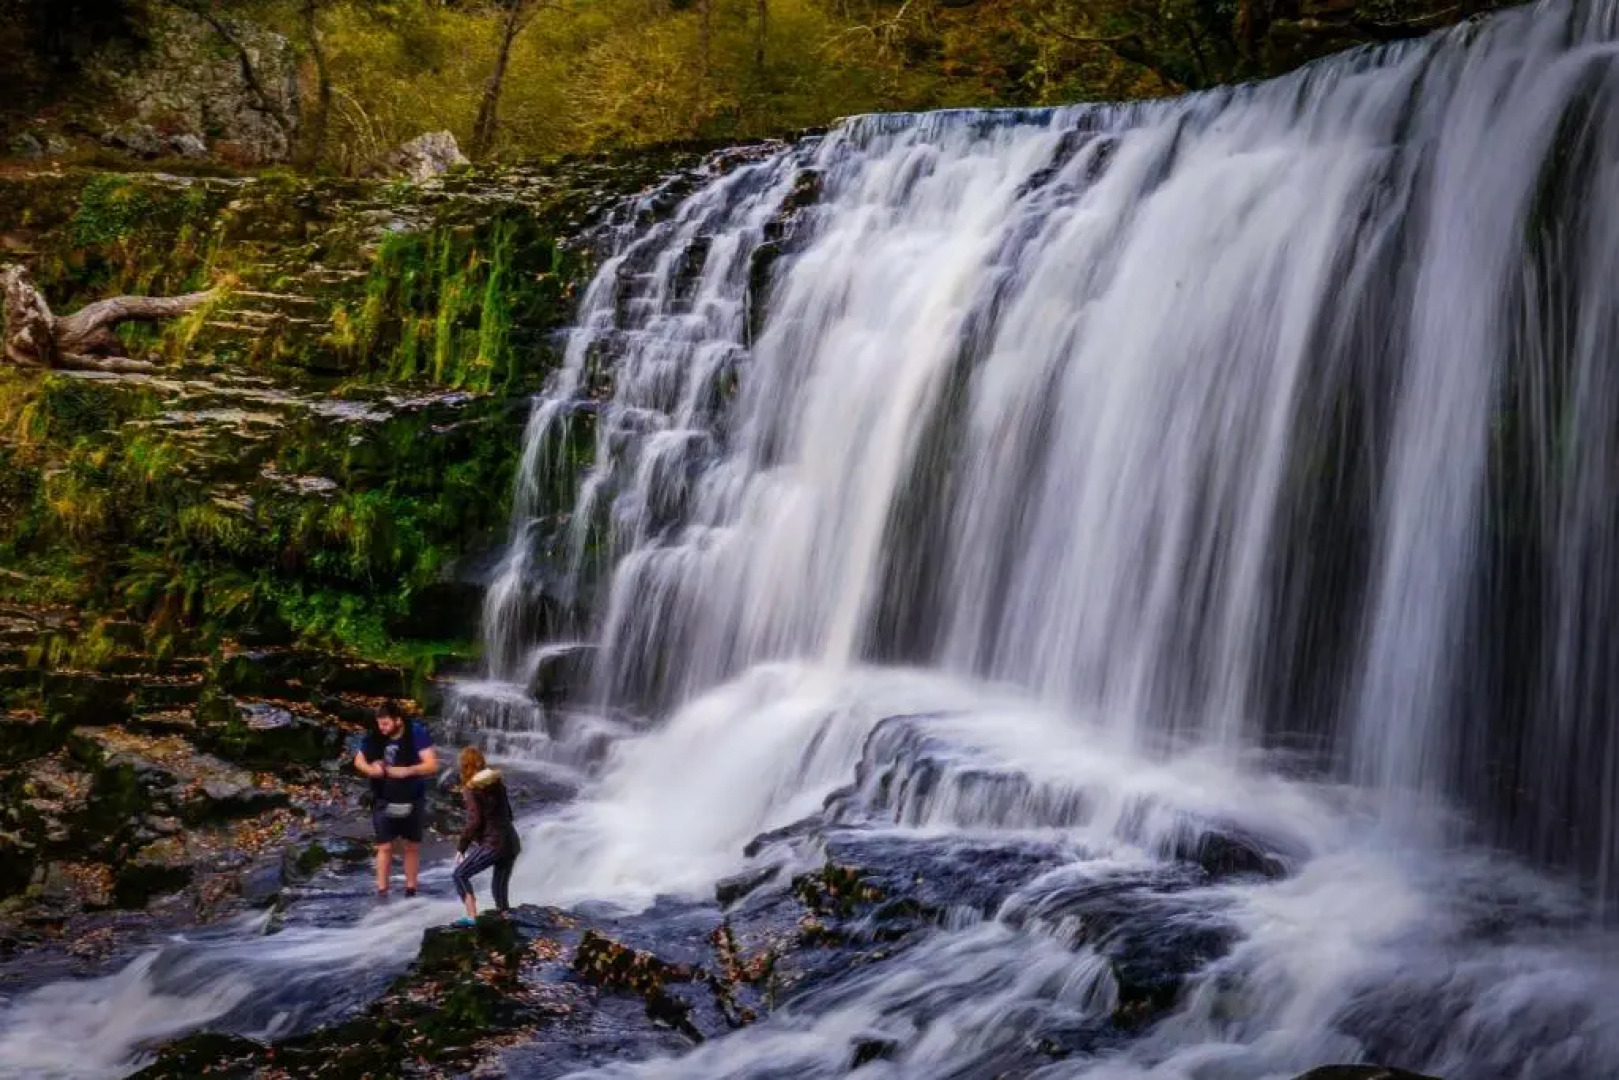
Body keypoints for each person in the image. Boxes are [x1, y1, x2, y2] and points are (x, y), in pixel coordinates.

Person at [353, 702, 438, 898]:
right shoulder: (376, 734)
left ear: (398, 720)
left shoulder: (416, 732)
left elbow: (432, 764)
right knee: (385, 846)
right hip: (383, 795)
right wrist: (371, 770)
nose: (381, 728)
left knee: (412, 845)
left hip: (413, 795)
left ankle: (411, 890)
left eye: (385, 724)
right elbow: (359, 760)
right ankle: (382, 891)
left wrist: (408, 770)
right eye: (379, 724)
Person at [450, 746, 520, 924]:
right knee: (499, 888)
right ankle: (505, 919)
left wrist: (462, 847)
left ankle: (472, 917)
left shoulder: (471, 789)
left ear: (465, 767)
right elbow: (509, 814)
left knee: (460, 874)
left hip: (493, 843)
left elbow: (475, 821)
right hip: (511, 841)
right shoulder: (498, 783)